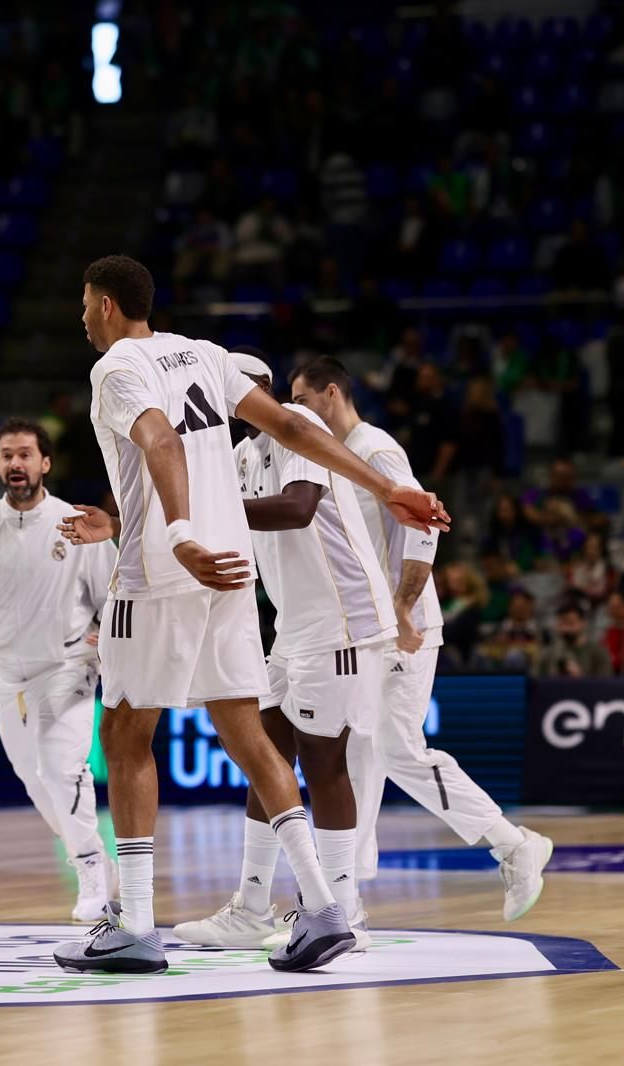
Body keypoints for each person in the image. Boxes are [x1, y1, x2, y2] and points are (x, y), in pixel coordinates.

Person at [51, 255, 445, 976]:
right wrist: (388, 489)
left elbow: (160, 441)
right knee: (250, 733)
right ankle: (324, 909)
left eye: (84, 305)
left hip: (167, 571)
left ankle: (134, 922)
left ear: (106, 306)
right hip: (233, 577)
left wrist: (178, 535)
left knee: (126, 732)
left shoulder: (114, 369)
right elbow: (295, 430)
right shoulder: (206, 354)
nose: (82, 317)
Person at [289, 357, 551, 921]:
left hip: (403, 626)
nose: (296, 412)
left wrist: (405, 605)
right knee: (357, 749)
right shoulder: (331, 458)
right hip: (367, 627)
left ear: (331, 393)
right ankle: (344, 901)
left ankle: (513, 844)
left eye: (302, 399)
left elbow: (426, 522)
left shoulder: (376, 449)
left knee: (394, 748)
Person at [174, 350, 394, 953]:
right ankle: (251, 906)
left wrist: (215, 514)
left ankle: (344, 911)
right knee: (263, 755)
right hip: (293, 628)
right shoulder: (237, 458)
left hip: (344, 622)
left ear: (260, 389)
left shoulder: (304, 428)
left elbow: (298, 509)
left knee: (325, 763)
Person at [0, 417, 119, 922]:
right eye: (7, 455)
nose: (16, 464)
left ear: (45, 464)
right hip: (6, 672)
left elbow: (115, 595)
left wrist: (107, 638)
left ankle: (92, 876)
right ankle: (90, 856)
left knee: (63, 770)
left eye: (24, 455)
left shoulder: (75, 523)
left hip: (68, 664)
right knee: (34, 778)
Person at [535, 599, 613, 678]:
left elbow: (604, 685)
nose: (565, 628)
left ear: (583, 623)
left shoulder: (598, 652)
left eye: (570, 623)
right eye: (561, 623)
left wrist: (580, 677)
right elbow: (537, 681)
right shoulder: (549, 653)